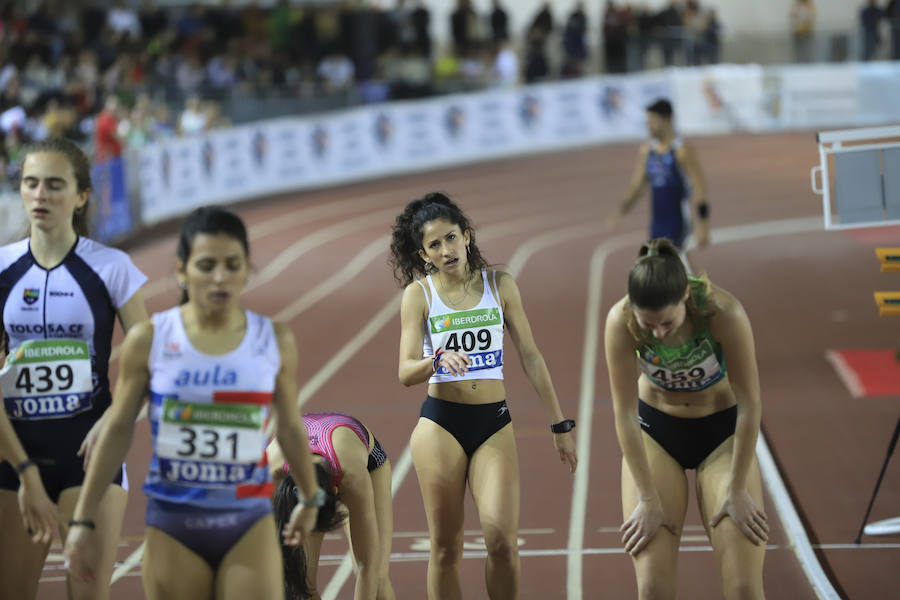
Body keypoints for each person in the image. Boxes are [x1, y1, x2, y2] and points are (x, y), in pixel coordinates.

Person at [64, 207, 323, 599]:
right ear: (182, 270)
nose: (219, 277)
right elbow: (117, 429)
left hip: (246, 522)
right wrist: (83, 519)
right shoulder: (150, 339)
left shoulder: (273, 340)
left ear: (248, 269)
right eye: (206, 265)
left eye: (231, 265)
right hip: (175, 523)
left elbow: (288, 428)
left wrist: (308, 495)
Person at [390, 192, 578, 599]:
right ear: (424, 255)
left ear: (467, 236)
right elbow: (405, 371)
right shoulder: (419, 296)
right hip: (440, 424)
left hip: (492, 422)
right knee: (444, 548)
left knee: (502, 543)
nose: (446, 250)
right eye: (435, 245)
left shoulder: (500, 284)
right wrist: (436, 360)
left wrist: (559, 423)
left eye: (451, 238)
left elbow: (530, 355)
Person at [0, 137, 148, 600]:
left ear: (82, 195)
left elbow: (150, 359)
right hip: (14, 454)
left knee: (87, 593)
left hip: (89, 456)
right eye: (31, 184)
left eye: (54, 185)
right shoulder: (2, 268)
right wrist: (23, 471)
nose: (40, 195)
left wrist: (113, 418)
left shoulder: (111, 268)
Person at [604, 238, 768, 599]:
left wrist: (738, 488)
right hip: (656, 433)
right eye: (649, 326)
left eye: (666, 323)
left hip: (720, 431)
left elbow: (750, 404)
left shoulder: (723, 313)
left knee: (743, 588)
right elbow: (625, 414)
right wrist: (646, 498)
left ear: (685, 299)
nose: (658, 334)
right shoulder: (621, 320)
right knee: (652, 588)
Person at [268, 412, 395, 600]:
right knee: (301, 589)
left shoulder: (353, 479)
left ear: (336, 491)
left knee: (377, 583)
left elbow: (366, 566)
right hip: (320, 460)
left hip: (365, 463)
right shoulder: (270, 473)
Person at [606, 98, 709, 252]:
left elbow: (699, 188)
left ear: (667, 120)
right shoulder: (647, 151)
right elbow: (637, 186)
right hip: (656, 224)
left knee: (673, 267)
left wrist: (703, 225)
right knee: (664, 270)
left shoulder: (682, 150)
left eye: (653, 121)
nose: (649, 125)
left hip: (678, 222)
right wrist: (621, 211)